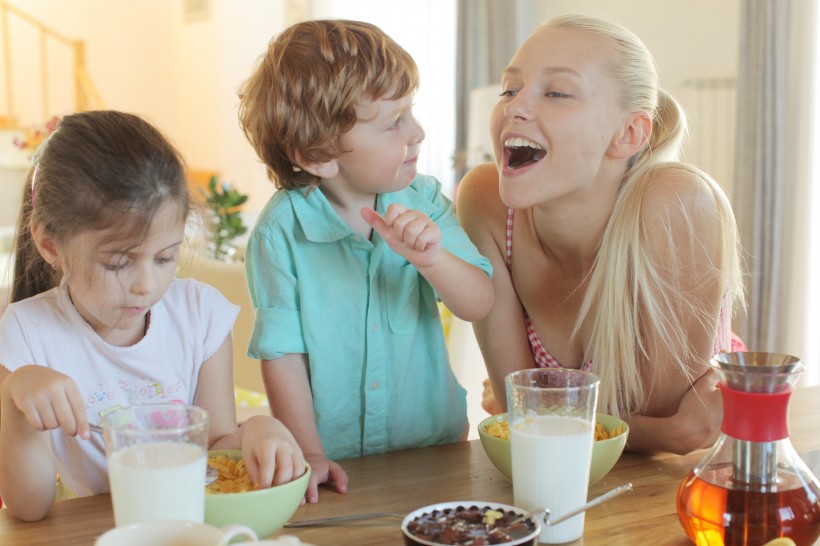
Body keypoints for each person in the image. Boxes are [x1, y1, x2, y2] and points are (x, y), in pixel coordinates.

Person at [456, 14, 745, 455]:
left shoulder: (676, 202)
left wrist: (544, 410)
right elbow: (521, 417)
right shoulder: (484, 201)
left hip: (693, 474)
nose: (514, 107)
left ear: (628, 133)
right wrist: (658, 432)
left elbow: (657, 436)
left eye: (556, 92)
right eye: (510, 89)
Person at [0, 111, 306, 522]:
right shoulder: (25, 334)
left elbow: (213, 451)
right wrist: (14, 397)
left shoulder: (199, 315)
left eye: (165, 257)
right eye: (118, 263)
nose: (147, 285)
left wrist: (256, 431)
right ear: (51, 244)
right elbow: (30, 508)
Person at [238, 19, 494, 503]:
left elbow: (479, 302)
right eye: (393, 122)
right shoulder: (279, 233)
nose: (417, 132)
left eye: (411, 112)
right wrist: (310, 454)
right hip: (338, 465)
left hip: (433, 450)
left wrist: (434, 259)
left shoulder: (425, 201)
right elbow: (283, 356)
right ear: (317, 154)